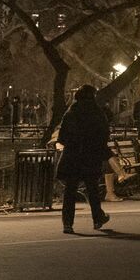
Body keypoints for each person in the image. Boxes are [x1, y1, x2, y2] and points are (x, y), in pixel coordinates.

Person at [55, 83, 113, 233]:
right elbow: (104, 134)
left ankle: (67, 223)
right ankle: (97, 219)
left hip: (73, 156)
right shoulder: (97, 113)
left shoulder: (71, 112)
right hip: (90, 156)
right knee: (92, 189)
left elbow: (61, 137)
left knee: (70, 191)